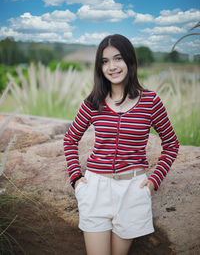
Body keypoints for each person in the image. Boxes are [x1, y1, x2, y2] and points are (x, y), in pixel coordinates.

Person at [63, 34, 179, 255]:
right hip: (95, 189)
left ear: (129, 61)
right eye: (105, 61)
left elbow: (172, 144)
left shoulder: (150, 101)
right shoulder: (93, 102)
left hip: (132, 191)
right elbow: (70, 139)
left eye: (118, 59)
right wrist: (76, 179)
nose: (112, 66)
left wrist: (154, 181)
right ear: (100, 67)